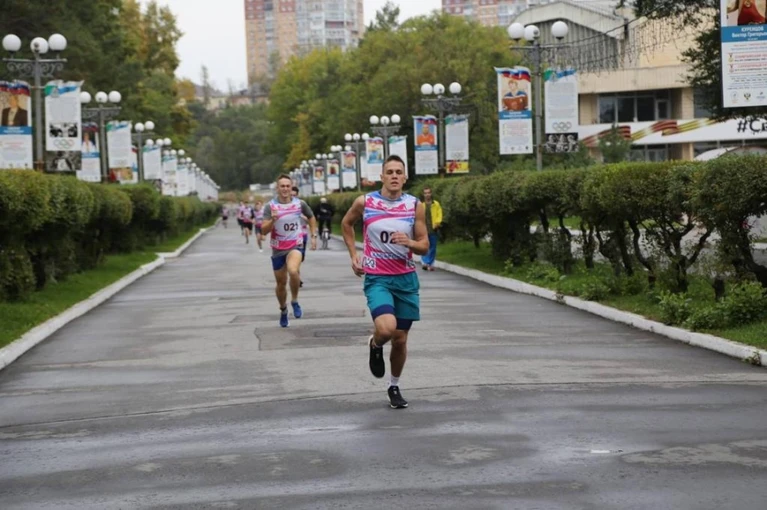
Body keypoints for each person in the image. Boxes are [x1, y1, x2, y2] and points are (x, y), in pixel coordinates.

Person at [341, 154, 429, 409]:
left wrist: (409, 242)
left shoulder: (414, 205)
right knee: (387, 329)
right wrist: (353, 255)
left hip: (405, 280)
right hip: (377, 278)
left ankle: (394, 386)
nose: (394, 176)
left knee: (400, 339)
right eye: (389, 172)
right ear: (381, 176)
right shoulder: (365, 202)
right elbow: (347, 224)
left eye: (398, 172)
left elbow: (424, 245)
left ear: (405, 177)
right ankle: (375, 343)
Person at [262, 175, 317, 327]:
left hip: (295, 245)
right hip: (278, 249)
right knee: (281, 283)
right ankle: (283, 309)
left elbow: (311, 217)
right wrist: (273, 220)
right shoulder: (270, 206)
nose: (285, 189)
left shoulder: (300, 204)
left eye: (288, 186)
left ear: (291, 187)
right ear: (277, 188)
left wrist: (313, 236)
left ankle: (294, 300)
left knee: (293, 271)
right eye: (282, 186)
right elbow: (264, 230)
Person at [420, 186, 443, 271]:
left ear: (431, 193)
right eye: (425, 193)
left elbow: (439, 214)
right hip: (423, 229)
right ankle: (425, 262)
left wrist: (437, 223)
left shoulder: (436, 204)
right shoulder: (421, 205)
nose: (427, 195)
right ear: (423, 194)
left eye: (428, 193)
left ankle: (430, 263)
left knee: (433, 247)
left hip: (433, 229)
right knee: (424, 246)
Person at [292, 186, 309, 287]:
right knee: (296, 258)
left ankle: (296, 276)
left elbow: (310, 219)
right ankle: (297, 278)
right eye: (291, 195)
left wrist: (301, 216)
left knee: (301, 258)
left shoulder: (302, 205)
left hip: (304, 235)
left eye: (295, 195)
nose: (293, 197)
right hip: (293, 237)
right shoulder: (286, 206)